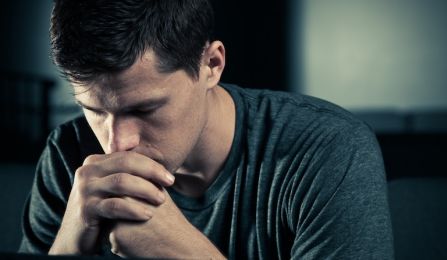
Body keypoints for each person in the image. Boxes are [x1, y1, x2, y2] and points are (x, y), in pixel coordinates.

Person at [19, 0, 394, 259]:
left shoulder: (329, 150)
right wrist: (70, 242)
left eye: (145, 108)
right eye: (93, 110)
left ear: (211, 64)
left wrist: (184, 252)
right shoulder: (68, 153)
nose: (117, 143)